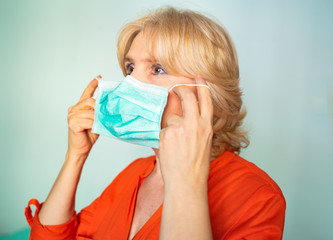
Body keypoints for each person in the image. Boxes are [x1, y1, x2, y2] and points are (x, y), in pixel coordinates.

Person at [25, 7, 286, 240]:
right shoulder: (135, 174)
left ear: (207, 92)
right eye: (130, 68)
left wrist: (185, 183)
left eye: (157, 69)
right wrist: (76, 156)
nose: (129, 83)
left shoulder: (258, 198)